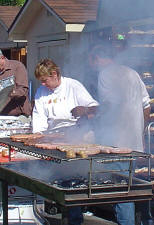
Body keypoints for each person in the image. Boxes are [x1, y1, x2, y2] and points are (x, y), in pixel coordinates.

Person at [89, 44, 150, 225]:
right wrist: (141, 134)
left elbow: (110, 106)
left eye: (91, 62)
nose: (91, 67)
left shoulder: (105, 74)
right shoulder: (132, 73)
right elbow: (146, 106)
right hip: (133, 142)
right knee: (130, 185)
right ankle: (141, 221)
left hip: (117, 142)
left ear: (97, 59)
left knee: (120, 188)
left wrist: (87, 111)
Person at [32, 59, 99, 225]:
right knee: (57, 178)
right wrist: (38, 135)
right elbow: (39, 115)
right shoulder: (41, 91)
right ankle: (58, 213)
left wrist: (84, 111)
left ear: (54, 74)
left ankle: (74, 218)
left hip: (76, 134)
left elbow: (95, 107)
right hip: (53, 136)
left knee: (70, 178)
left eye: (45, 80)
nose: (43, 83)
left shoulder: (73, 85)